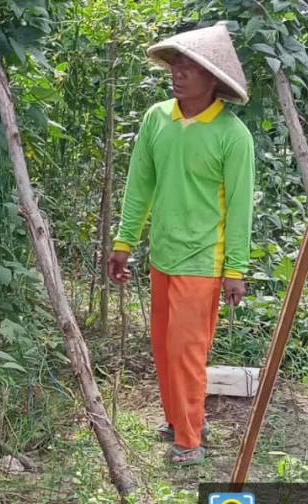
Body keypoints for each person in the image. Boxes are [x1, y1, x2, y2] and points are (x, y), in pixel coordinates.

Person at [106, 24, 255, 467]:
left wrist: (236, 269)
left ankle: (190, 441)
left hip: (202, 262)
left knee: (188, 353)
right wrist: (123, 241)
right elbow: (140, 185)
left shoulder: (233, 135)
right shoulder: (157, 119)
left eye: (192, 66)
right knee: (163, 345)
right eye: (177, 64)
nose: (179, 73)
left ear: (215, 80)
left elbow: (241, 207)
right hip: (163, 256)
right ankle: (177, 419)